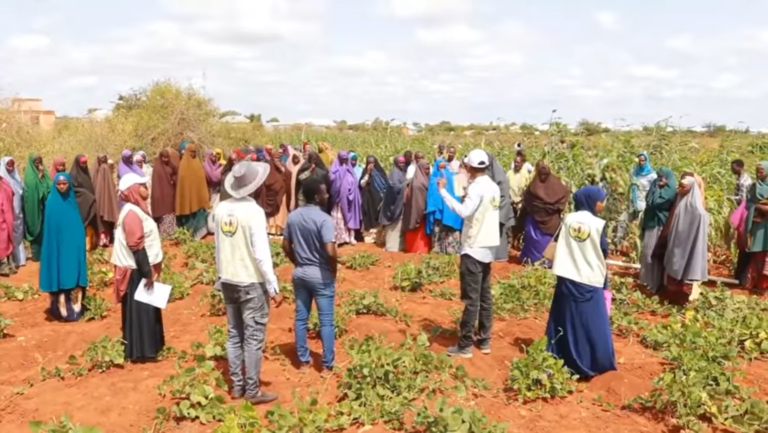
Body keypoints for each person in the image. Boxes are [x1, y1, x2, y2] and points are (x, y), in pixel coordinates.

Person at [214, 161, 282, 404]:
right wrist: (273, 286)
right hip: (250, 282)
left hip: (228, 279)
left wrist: (219, 275)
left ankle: (237, 387)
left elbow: (218, 246)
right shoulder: (254, 212)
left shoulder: (221, 209)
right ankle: (252, 391)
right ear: (254, 185)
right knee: (253, 337)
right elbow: (261, 253)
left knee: (234, 335)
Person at [546, 185, 616, 378]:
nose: (603, 204)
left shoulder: (568, 219)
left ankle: (561, 356)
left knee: (565, 318)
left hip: (567, 276)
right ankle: (593, 362)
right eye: (601, 200)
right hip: (589, 279)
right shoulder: (597, 224)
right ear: (593, 202)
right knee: (592, 322)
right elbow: (603, 250)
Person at [436, 149, 500, 358]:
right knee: (485, 296)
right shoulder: (493, 187)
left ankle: (464, 345)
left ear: (471, 168)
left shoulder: (476, 189)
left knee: (471, 299)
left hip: (473, 247)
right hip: (489, 247)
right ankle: (484, 340)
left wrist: (444, 192)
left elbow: (464, 212)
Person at [282, 176, 337, 377]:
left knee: (301, 318)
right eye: (324, 192)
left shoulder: (293, 217)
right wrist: (334, 271)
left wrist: (297, 262)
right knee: (326, 321)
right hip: (321, 274)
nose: (327, 195)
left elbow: (285, 246)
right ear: (317, 196)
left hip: (301, 273)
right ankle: (327, 365)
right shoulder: (324, 219)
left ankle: (303, 362)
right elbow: (330, 251)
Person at [111, 173, 165, 360]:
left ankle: (148, 347)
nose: (146, 189)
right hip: (137, 269)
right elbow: (136, 246)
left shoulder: (135, 210)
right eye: (142, 186)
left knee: (145, 309)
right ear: (133, 190)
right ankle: (144, 351)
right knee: (142, 311)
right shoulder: (132, 214)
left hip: (139, 267)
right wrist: (147, 274)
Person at [653, 173, 709, 304]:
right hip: (675, 241)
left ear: (691, 188)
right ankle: (669, 297)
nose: (680, 189)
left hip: (688, 245)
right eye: (680, 186)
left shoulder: (698, 210)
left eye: (683, 187)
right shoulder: (679, 199)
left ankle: (681, 300)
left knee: (684, 268)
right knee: (673, 266)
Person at [40, 172, 89, 321]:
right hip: (57, 249)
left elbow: (77, 225)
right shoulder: (51, 204)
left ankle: (74, 309)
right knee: (60, 277)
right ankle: (60, 310)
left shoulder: (71, 202)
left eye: (64, 184)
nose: (62, 186)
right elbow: (50, 231)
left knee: (72, 275)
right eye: (59, 184)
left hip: (71, 247)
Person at [519, 161, 570, 266]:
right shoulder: (558, 186)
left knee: (532, 241)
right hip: (551, 223)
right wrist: (551, 209)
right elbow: (562, 203)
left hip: (534, 223)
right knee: (547, 243)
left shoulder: (532, 187)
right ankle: (547, 262)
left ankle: (531, 260)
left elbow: (527, 202)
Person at [639, 168, 677, 293]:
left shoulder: (670, 190)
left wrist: (657, 189)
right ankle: (647, 282)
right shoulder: (655, 185)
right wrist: (656, 187)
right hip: (651, 223)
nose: (661, 179)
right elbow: (649, 200)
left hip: (662, 225)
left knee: (657, 255)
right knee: (647, 253)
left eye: (663, 177)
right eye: (659, 176)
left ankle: (656, 284)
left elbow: (656, 202)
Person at [615, 152, 657, 243]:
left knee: (638, 228)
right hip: (633, 203)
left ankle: (637, 248)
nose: (641, 162)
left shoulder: (652, 176)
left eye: (643, 160)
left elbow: (654, 191)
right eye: (639, 160)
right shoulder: (633, 172)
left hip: (644, 205)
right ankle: (618, 242)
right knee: (622, 220)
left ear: (647, 161)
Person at [739, 162, 768, 291]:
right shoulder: (754, 187)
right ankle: (753, 281)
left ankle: (764, 284)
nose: (758, 173)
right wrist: (757, 207)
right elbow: (748, 204)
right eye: (757, 171)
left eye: (761, 171)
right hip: (758, 223)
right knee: (756, 251)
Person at [426, 158, 462, 254]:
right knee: (445, 234)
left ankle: (443, 251)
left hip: (442, 212)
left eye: (443, 166)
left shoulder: (437, 179)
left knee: (442, 233)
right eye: (440, 167)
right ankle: (448, 251)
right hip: (447, 213)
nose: (442, 169)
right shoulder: (451, 177)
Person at [175, 143, 210, 239]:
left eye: (194, 152)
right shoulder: (183, 165)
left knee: (199, 215)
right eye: (191, 152)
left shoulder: (198, 164)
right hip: (187, 199)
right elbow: (182, 185)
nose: (193, 154)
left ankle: (199, 234)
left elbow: (202, 183)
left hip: (198, 199)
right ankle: (188, 235)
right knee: (188, 217)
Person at [485, 151, 513, 261]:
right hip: (490, 211)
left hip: (499, 210)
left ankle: (500, 258)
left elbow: (504, 197)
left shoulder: (500, 177)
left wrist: (499, 215)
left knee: (500, 236)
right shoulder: (489, 173)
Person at [329, 151, 363, 245]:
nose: (344, 161)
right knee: (338, 219)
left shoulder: (350, 171)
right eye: (342, 159)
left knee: (351, 218)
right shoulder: (334, 170)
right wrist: (340, 173)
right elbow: (331, 181)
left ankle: (350, 237)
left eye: (345, 159)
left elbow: (355, 184)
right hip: (339, 200)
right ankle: (338, 239)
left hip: (350, 199)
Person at [257, 147, 290, 236]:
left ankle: (279, 229)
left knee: (281, 212)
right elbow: (266, 181)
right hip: (270, 195)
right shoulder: (268, 168)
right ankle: (271, 229)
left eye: (278, 158)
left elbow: (288, 176)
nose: (276, 160)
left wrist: (281, 169)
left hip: (281, 194)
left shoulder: (283, 167)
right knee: (271, 214)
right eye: (275, 158)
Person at [0, 157, 26, 268]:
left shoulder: (15, 178)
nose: (10, 165)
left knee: (17, 234)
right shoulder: (3, 180)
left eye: (12, 163)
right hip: (5, 214)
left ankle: (18, 259)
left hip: (17, 213)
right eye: (8, 164)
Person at [23, 154, 50, 261]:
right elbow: (33, 189)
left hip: (44, 207)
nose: (38, 164)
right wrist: (39, 175)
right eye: (36, 162)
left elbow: (49, 186)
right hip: (34, 208)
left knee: (44, 230)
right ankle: (36, 255)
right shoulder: (29, 176)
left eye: (40, 161)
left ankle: (45, 254)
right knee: (35, 230)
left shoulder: (45, 173)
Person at [69, 155, 99, 251]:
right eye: (82, 163)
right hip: (79, 205)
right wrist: (85, 194)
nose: (84, 165)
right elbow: (72, 190)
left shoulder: (86, 173)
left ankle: (88, 246)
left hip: (88, 204)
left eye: (85, 163)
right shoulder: (73, 175)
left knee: (88, 226)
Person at [379, 156, 407, 252]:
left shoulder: (401, 172)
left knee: (399, 227)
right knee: (393, 227)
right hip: (393, 205)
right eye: (400, 163)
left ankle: (399, 246)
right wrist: (406, 185)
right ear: (396, 163)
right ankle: (391, 247)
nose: (402, 164)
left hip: (398, 204)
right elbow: (395, 188)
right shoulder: (394, 174)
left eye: (403, 162)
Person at [507, 153, 533, 249]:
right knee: (511, 223)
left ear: (522, 163)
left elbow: (527, 189)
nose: (516, 164)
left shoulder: (526, 175)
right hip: (511, 202)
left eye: (518, 162)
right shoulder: (509, 173)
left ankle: (519, 242)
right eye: (515, 162)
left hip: (522, 203)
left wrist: (521, 200)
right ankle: (510, 242)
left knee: (521, 223)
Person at [403, 161, 430, 253]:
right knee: (418, 234)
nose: (427, 171)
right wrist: (421, 212)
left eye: (428, 169)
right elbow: (419, 201)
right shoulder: (418, 184)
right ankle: (417, 250)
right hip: (419, 212)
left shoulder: (423, 179)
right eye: (426, 169)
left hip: (419, 211)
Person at [93, 155, 120, 247]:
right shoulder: (105, 169)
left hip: (99, 200)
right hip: (105, 200)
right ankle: (106, 239)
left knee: (102, 220)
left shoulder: (100, 170)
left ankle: (103, 239)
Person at [150, 149, 178, 237]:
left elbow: (176, 172)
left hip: (170, 192)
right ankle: (164, 234)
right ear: (160, 157)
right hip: (160, 193)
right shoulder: (157, 167)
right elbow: (156, 183)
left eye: (167, 158)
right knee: (163, 213)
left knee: (170, 211)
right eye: (164, 158)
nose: (165, 160)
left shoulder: (171, 164)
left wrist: (174, 180)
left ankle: (171, 232)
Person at [359, 155, 387, 235]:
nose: (371, 165)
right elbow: (362, 184)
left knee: (377, 216)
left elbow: (385, 184)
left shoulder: (380, 172)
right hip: (368, 199)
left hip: (379, 199)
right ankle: (370, 234)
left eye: (373, 163)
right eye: (369, 163)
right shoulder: (365, 172)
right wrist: (368, 173)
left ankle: (378, 234)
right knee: (369, 214)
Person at [204, 149, 224, 234]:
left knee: (217, 209)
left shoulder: (216, 165)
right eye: (212, 155)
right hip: (210, 191)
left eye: (215, 156)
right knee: (211, 210)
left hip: (218, 190)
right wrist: (222, 168)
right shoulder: (205, 166)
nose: (214, 157)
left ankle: (216, 226)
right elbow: (214, 177)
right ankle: (210, 227)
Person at [0, 172, 15, 276]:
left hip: (5, 217)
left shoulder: (4, 183)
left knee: (6, 240)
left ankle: (8, 265)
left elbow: (11, 193)